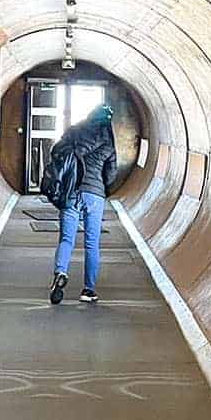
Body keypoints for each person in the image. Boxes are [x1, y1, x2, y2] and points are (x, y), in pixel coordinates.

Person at [49, 102, 117, 305]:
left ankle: (60, 273)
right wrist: (102, 185)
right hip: (94, 194)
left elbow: (56, 153)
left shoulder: (74, 132)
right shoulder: (108, 141)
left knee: (66, 239)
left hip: (71, 191)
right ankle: (88, 290)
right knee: (91, 243)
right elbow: (111, 172)